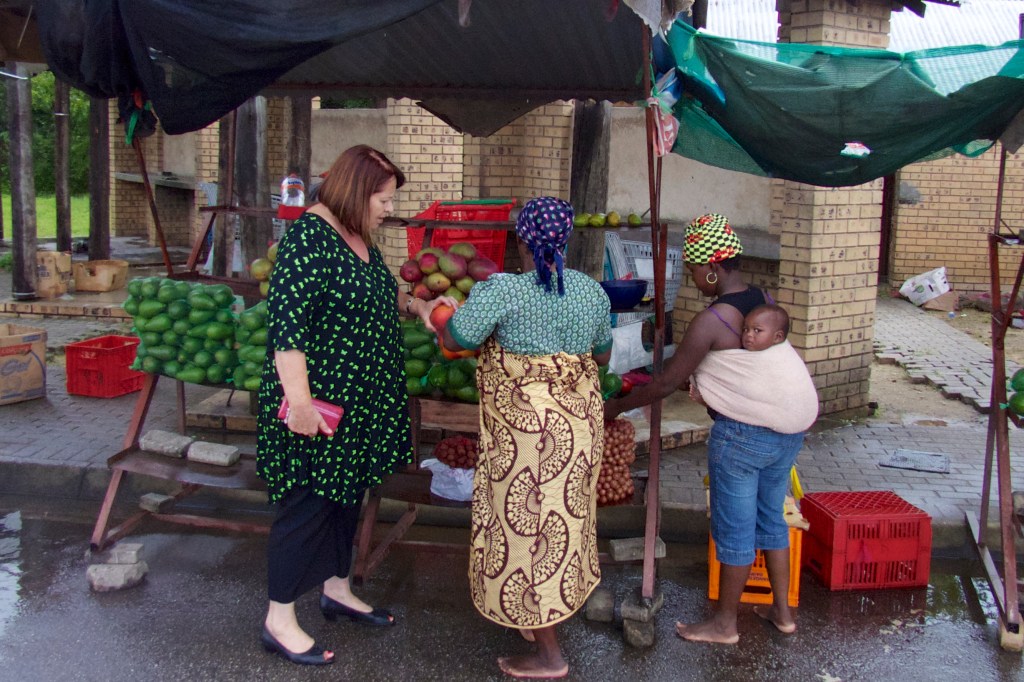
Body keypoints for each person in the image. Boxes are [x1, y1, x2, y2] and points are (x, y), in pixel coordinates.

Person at [256, 144, 454, 666]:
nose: (389, 208)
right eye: (382, 199)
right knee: (307, 505)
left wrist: (416, 305)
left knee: (347, 496)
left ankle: (336, 589)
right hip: (320, 405)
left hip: (362, 402)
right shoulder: (307, 239)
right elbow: (287, 328)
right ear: (354, 190)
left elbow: (376, 289)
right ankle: (278, 620)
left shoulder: (356, 236)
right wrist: (298, 402)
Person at [605, 213, 815, 645]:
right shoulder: (763, 301)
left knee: (735, 529)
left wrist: (616, 408)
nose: (693, 280)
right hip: (789, 431)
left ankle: (724, 625)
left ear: (713, 270)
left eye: (696, 272)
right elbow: (743, 367)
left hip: (745, 436)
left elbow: (663, 382)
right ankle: (783, 613)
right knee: (770, 520)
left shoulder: (712, 320)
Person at [439, 196, 613, 679]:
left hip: (528, 438)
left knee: (528, 533)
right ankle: (537, 620)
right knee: (566, 525)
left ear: (520, 239)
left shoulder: (502, 292)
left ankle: (549, 655)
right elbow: (600, 357)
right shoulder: (590, 292)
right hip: (577, 433)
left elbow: (456, 340)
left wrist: (441, 311)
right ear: (567, 239)